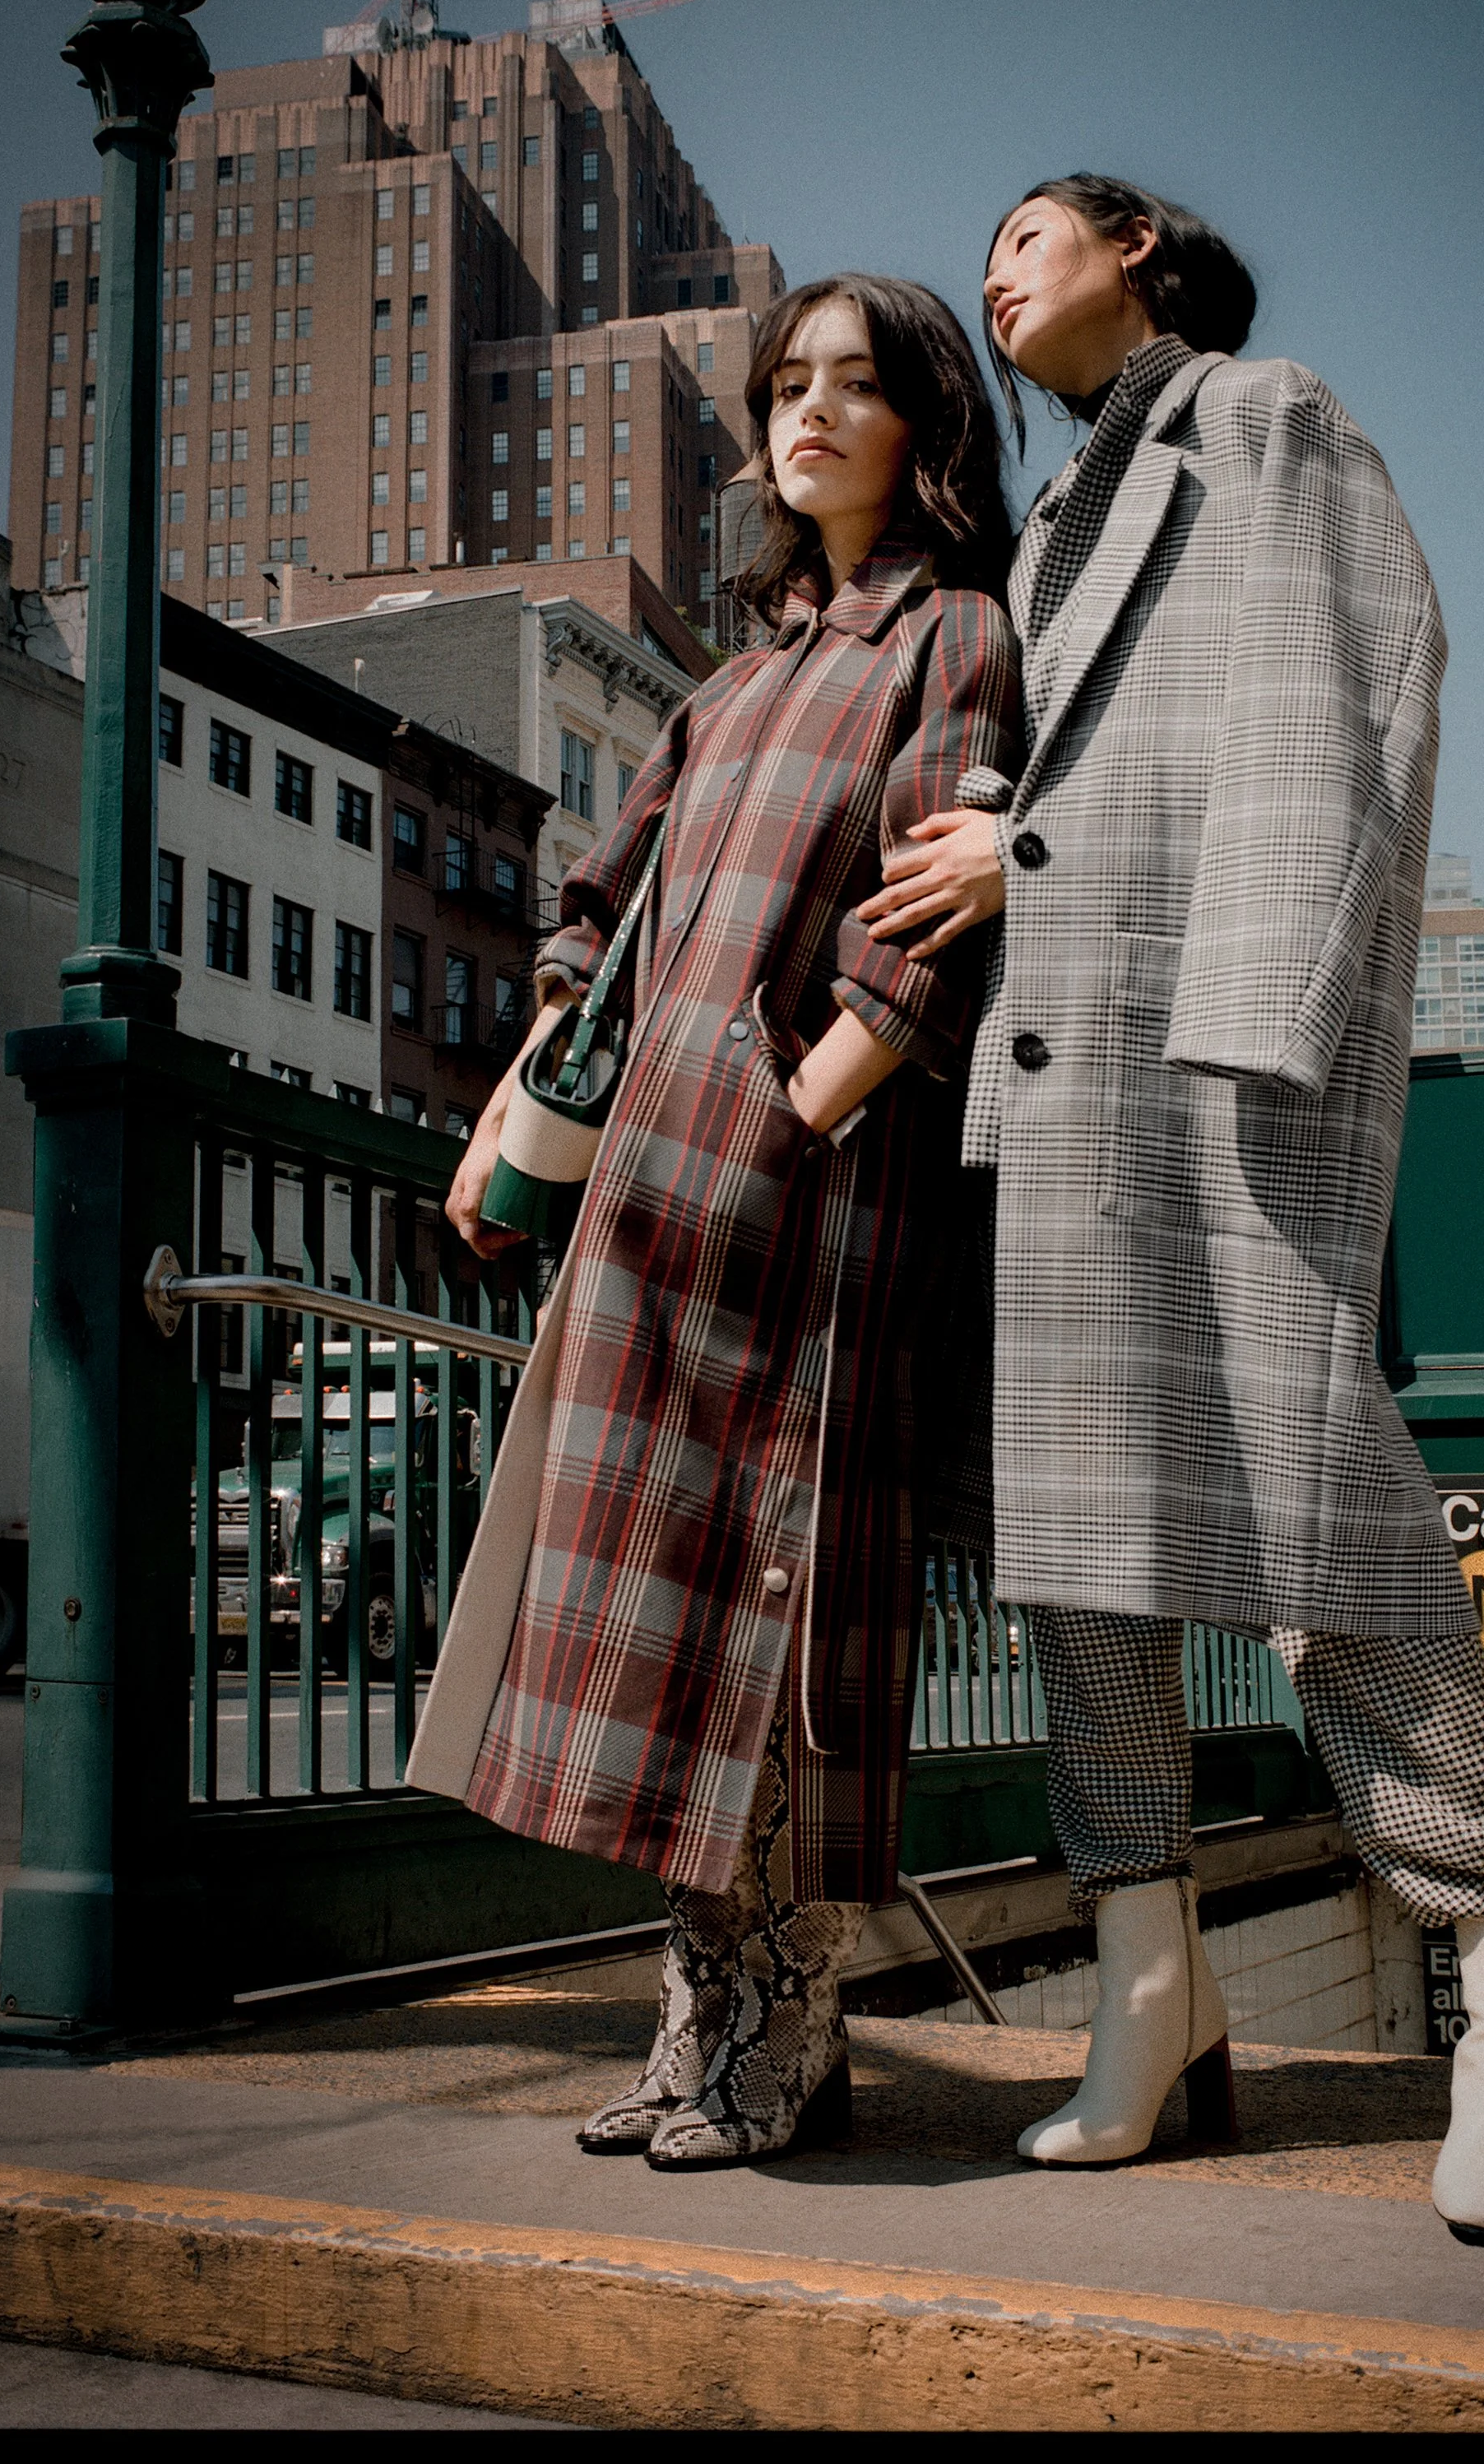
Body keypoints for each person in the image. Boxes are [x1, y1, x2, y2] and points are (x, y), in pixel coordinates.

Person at [857, 177, 1484, 2239]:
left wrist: (1073, 887)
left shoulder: (1262, 419)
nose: (996, 269)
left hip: (1211, 1048)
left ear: (1141, 252)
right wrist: (1016, 836)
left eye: (1032, 233)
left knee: (1310, 1506)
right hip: (1053, 1084)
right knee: (1072, 1561)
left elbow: (1353, 697)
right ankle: (1147, 1995)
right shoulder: (1054, 519)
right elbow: (1103, 761)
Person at [410, 275, 1020, 2170]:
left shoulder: (961, 637)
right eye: (787, 386)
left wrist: (797, 1105)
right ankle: (704, 2009)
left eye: (856, 383)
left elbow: (937, 916)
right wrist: (534, 1082)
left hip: (813, 1202)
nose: (812, 414)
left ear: (924, 422)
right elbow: (589, 904)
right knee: (659, 1623)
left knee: (779, 1606)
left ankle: (783, 2020)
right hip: (652, 1194)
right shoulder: (730, 680)